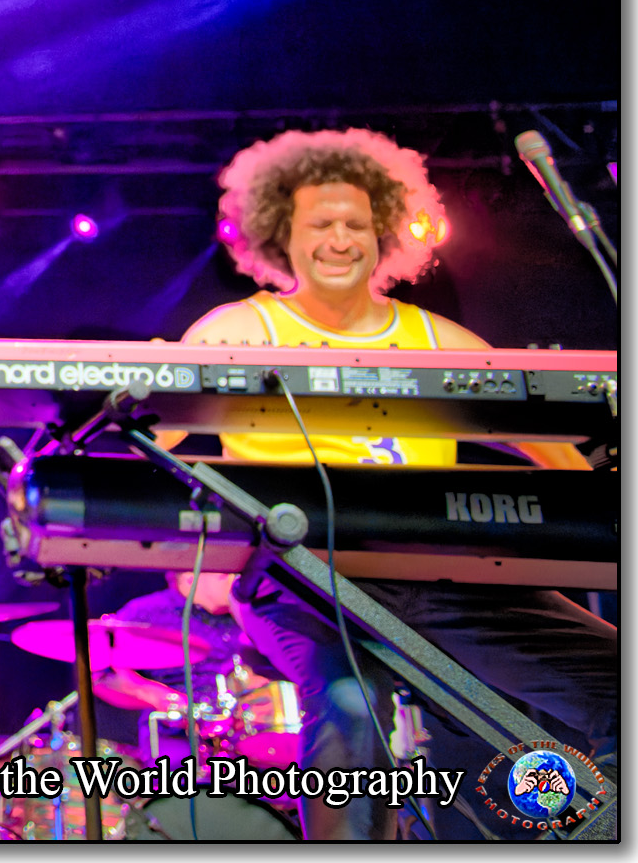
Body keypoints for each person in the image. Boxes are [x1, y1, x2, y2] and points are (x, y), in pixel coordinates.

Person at [171, 128, 615, 841]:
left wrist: (595, 520)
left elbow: (558, 457)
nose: (340, 240)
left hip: (443, 574)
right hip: (301, 581)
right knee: (351, 703)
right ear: (280, 235)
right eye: (320, 225)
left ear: (383, 233)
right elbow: (145, 437)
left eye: (356, 224)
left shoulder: (439, 340)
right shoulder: (237, 330)